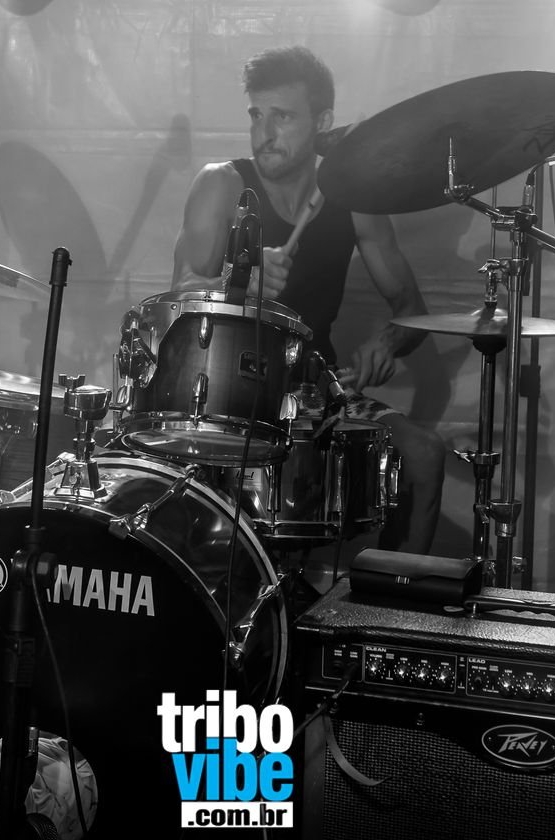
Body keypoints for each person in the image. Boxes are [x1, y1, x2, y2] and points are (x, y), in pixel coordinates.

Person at [171, 45, 445, 555]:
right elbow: (178, 295)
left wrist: (388, 343)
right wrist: (239, 280)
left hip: (316, 393)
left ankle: (387, 603)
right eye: (256, 115)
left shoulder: (352, 198)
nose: (264, 132)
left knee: (424, 456)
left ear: (322, 122)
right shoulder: (222, 184)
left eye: (282, 116)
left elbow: (411, 306)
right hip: (227, 393)